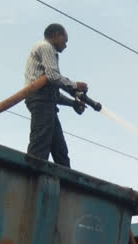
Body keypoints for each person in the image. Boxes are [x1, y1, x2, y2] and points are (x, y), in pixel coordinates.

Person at [24, 23, 88, 168]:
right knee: (40, 146)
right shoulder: (46, 47)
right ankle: (30, 176)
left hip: (46, 102)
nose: (65, 45)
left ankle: (67, 185)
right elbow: (53, 76)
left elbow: (53, 93)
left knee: (60, 151)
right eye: (65, 41)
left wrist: (73, 103)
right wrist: (74, 85)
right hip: (41, 101)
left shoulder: (43, 51)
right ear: (57, 35)